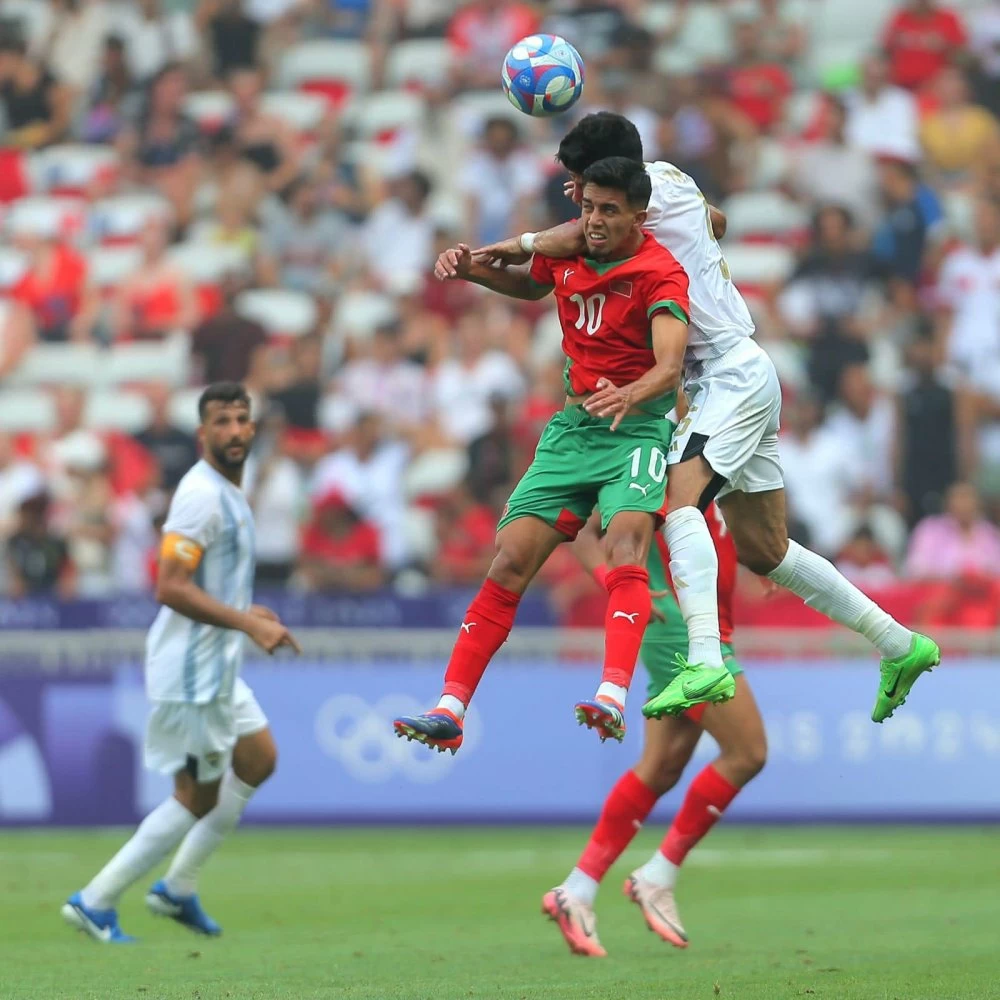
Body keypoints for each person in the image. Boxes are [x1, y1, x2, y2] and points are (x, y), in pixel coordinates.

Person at [474, 112, 939, 725]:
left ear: (625, 191)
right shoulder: (671, 182)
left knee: (674, 501)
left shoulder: (644, 198)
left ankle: (704, 659)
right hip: (743, 369)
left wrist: (521, 243)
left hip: (726, 375)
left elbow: (575, 239)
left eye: (593, 194)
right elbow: (717, 221)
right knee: (764, 549)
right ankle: (900, 644)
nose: (590, 210)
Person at [393, 156, 701, 754]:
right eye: (587, 208)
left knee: (626, 545)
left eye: (608, 211)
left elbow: (669, 368)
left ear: (639, 216)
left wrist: (629, 394)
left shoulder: (661, 274)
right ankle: (451, 708)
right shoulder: (570, 252)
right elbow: (531, 282)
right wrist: (472, 272)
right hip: (571, 431)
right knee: (509, 561)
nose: (593, 221)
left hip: (635, 430)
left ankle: (612, 694)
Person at [62, 382, 300, 943]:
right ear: (202, 433)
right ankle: (94, 901)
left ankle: (179, 888)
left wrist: (247, 610)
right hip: (191, 670)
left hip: (215, 664)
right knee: (195, 796)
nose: (235, 430)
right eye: (222, 422)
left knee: (259, 758)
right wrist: (246, 623)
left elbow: (206, 583)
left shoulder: (229, 492)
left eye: (243, 420)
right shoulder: (199, 496)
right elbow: (169, 586)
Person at [543, 500, 763, 956]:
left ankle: (577, 889)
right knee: (748, 752)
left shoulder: (714, 447)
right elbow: (580, 525)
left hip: (705, 625)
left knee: (660, 768)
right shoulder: (658, 452)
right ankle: (657, 876)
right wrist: (616, 584)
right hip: (681, 629)